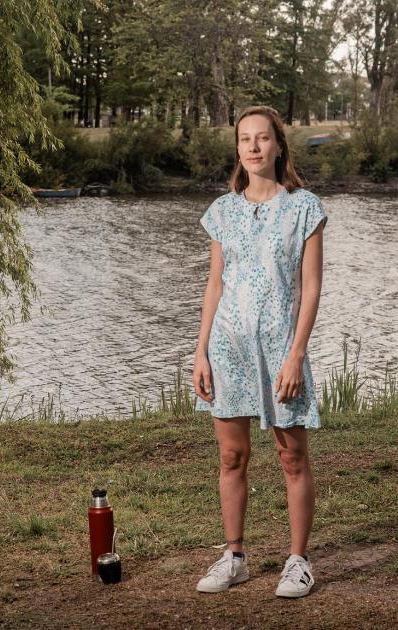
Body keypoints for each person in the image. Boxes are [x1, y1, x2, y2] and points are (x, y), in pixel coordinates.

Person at [192, 105, 328, 598]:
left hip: (279, 349)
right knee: (232, 456)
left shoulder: (304, 208)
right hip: (227, 347)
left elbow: (310, 288)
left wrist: (296, 354)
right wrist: (201, 350)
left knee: (291, 457)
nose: (252, 147)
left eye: (262, 138)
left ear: (278, 146)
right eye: (244, 139)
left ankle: (298, 561)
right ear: (238, 149)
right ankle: (234, 557)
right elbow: (215, 284)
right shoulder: (222, 212)